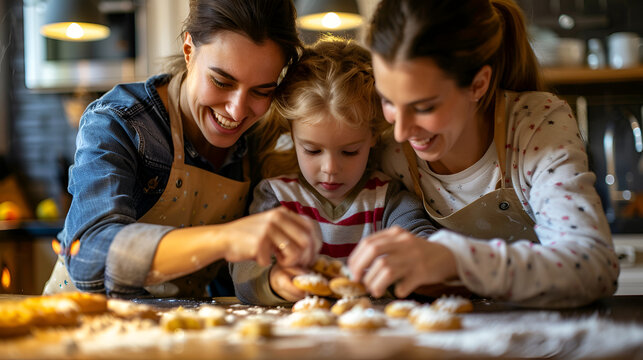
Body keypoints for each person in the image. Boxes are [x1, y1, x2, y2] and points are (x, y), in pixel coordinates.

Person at [347, 0, 620, 308]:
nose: (401, 132)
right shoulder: (390, 151)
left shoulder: (535, 127)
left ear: (478, 85)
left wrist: (457, 258)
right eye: (389, 101)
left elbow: (595, 267)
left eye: (424, 107)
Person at [43, 0, 321, 298]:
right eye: (221, 81)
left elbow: (232, 279)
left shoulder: (258, 142)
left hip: (176, 331)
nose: (237, 111)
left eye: (261, 91)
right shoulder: (119, 121)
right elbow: (89, 256)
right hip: (77, 321)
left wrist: (276, 280)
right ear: (189, 50)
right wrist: (226, 238)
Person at [231, 37, 437, 305]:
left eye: (349, 151)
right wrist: (274, 281)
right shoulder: (276, 197)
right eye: (313, 151)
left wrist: (410, 263)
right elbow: (245, 271)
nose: (330, 169)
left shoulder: (388, 198)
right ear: (292, 135)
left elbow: (426, 246)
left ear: (373, 136)